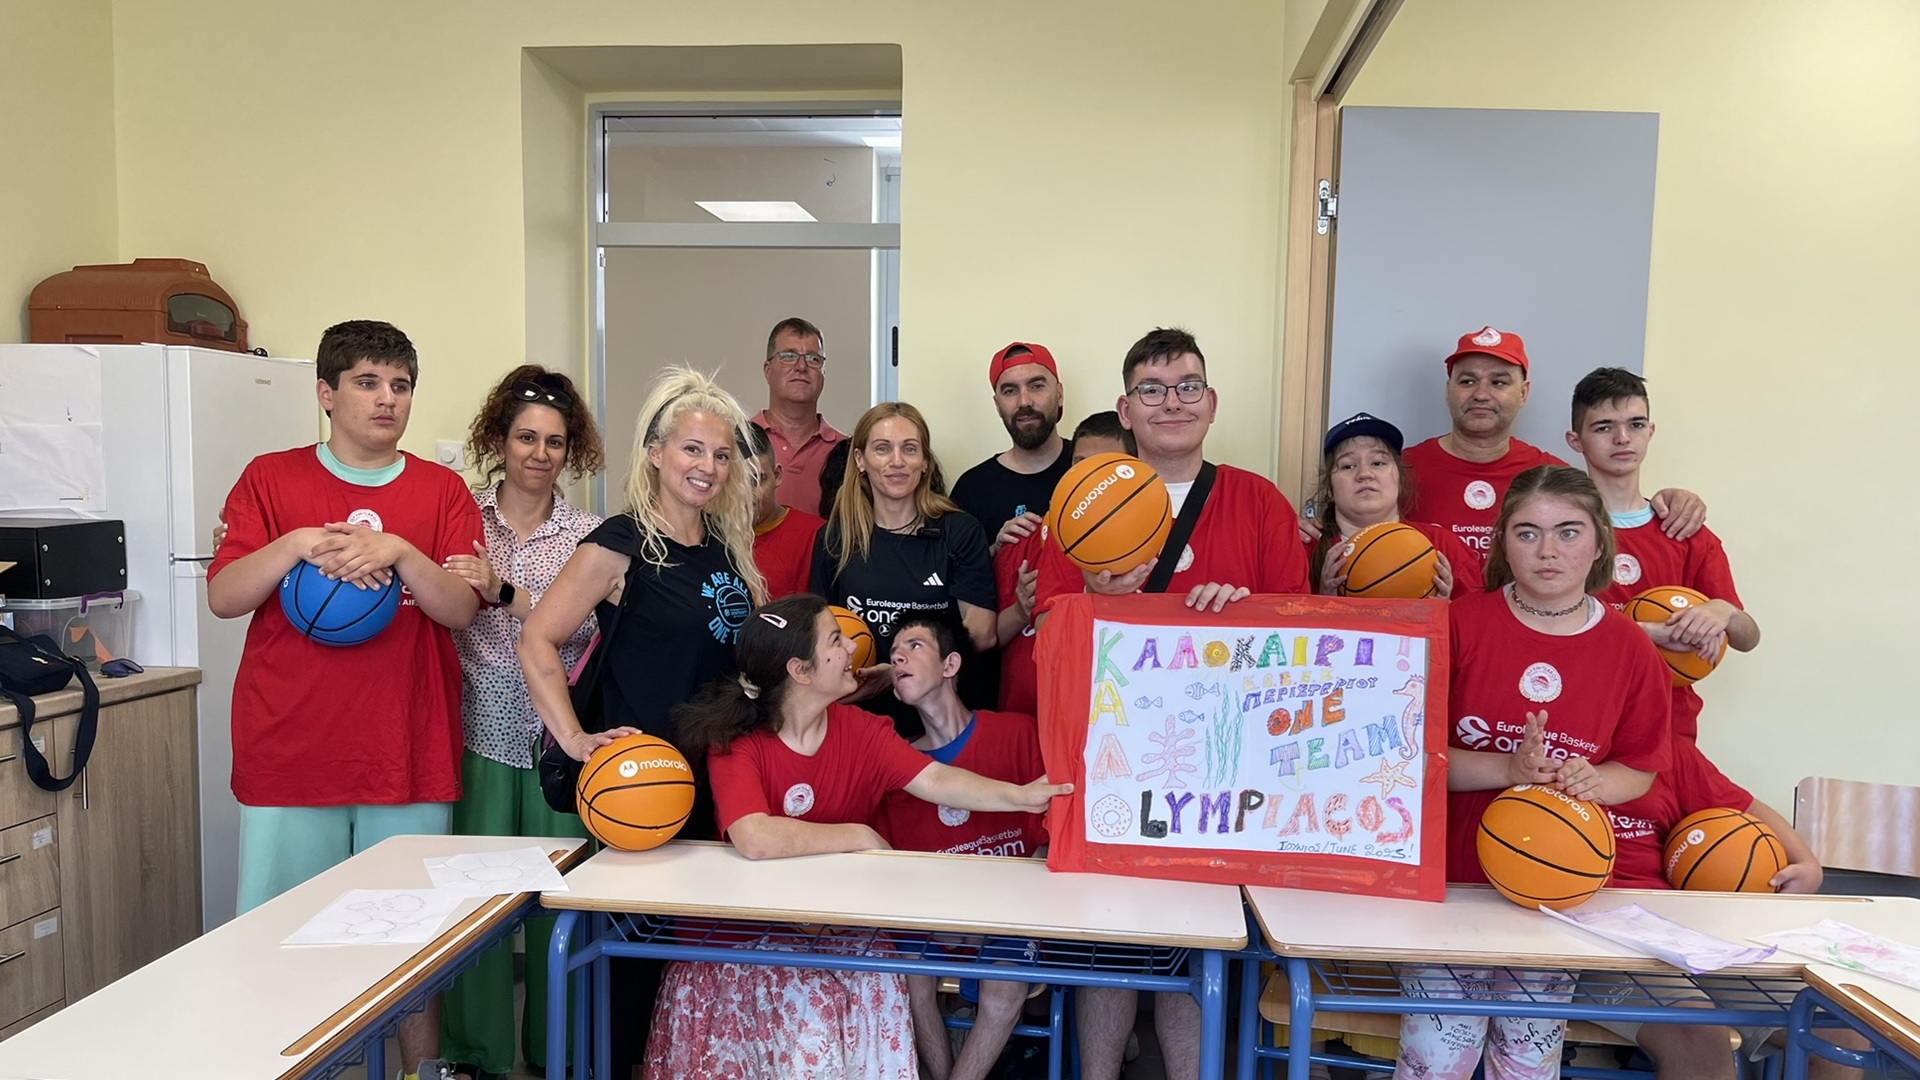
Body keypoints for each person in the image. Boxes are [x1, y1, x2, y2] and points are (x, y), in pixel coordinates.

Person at [1032, 328, 1311, 1080]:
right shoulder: (1080, 501)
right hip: (1111, 757)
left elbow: (1301, 641)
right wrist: (1093, 595)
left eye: (1188, 387)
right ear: (1125, 409)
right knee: (1110, 940)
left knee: (1198, 942)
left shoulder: (1257, 500)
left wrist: (1245, 612)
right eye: (1152, 390)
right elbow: (1047, 636)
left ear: (1211, 402)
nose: (1172, 403)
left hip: (1222, 768)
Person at [207, 320, 482, 1080]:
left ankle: (421, 1074)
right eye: (367, 382)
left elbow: (461, 609)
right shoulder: (270, 479)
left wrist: (402, 553)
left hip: (406, 748)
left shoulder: (442, 490)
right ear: (326, 394)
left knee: (413, 946)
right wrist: (296, 544)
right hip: (290, 748)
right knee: (281, 943)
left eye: (400, 385)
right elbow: (225, 597)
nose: (387, 399)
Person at [641, 595, 1071, 1080]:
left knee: (882, 981)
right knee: (815, 1007)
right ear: (800, 671)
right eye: (836, 639)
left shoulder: (864, 730)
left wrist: (1020, 796)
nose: (853, 647)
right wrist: (858, 835)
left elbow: (934, 779)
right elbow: (755, 835)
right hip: (745, 944)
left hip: (837, 934)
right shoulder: (735, 740)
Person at [518, 365, 765, 1075]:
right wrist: (574, 739)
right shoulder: (620, 543)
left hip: (717, 780)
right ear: (656, 454)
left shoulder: (726, 546)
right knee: (630, 968)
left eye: (721, 454)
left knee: (695, 962)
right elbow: (537, 638)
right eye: (692, 449)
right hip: (643, 787)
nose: (707, 466)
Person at [1393, 465, 1672, 1080]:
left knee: (1526, 1063)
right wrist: (1509, 767)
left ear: (1598, 542)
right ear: (1502, 542)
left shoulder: (1630, 647)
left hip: (1556, 891)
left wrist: (1595, 782)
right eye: (1527, 533)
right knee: (1437, 1060)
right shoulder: (1457, 623)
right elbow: (1405, 756)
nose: (1548, 550)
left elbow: (1640, 767)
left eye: (1568, 531)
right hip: (1453, 884)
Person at [437, 366, 603, 1080]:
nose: (540, 453)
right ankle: (475, 1054)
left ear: (571, 451)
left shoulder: (588, 534)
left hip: (556, 738)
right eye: (526, 437)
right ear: (499, 440)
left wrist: (503, 590)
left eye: (555, 442)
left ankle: (558, 1049)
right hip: (475, 730)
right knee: (475, 904)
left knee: (560, 901)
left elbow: (586, 629)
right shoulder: (458, 516)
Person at [1590, 740, 1838, 1080]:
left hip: (1686, 933)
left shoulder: (1667, 751)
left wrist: (1807, 864)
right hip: (1591, 941)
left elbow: (1744, 806)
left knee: (1835, 1030)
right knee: (1700, 1040)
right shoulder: (1542, 747)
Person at [877, 614, 1049, 1080]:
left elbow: (1047, 845)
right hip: (935, 919)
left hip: (1015, 914)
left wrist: (1003, 914)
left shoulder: (1018, 733)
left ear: (950, 665)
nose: (898, 657)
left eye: (914, 646)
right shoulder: (895, 764)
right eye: (893, 653)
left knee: (1003, 988)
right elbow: (896, 873)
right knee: (910, 979)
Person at [1567, 367, 1761, 745]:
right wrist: (1650, 633)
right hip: (1580, 717)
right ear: (1576, 441)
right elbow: (1547, 627)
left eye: (1636, 424)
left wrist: (1723, 612)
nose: (1623, 438)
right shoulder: (1559, 532)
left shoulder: (1685, 531)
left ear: (1651, 432)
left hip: (1668, 726)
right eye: (1604, 427)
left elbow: (1748, 638)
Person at [1396, 326, 1704, 560]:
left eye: (1499, 382)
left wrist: (1674, 501)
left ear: (1523, 393)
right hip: (1429, 625)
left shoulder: (1552, 475)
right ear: (1448, 390)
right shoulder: (1399, 470)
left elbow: (1618, 509)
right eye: (1467, 381)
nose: (1481, 394)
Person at [809, 402, 1004, 737]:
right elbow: (819, 636)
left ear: (925, 462)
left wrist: (898, 672)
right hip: (859, 723)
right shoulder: (835, 538)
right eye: (883, 448)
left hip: (942, 726)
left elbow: (982, 633)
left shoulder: (960, 532)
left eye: (909, 449)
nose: (897, 461)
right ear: (860, 460)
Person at [995, 411, 1133, 716]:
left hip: (1113, 714)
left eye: (1106, 467)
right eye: (1080, 465)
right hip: (1027, 716)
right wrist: (994, 552)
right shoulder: (1024, 540)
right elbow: (983, 638)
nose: (1092, 480)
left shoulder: (1150, 539)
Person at [1305, 411, 1481, 598]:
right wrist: (1324, 602)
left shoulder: (1444, 547)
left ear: (1400, 479)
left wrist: (1445, 610)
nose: (1364, 474)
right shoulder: (1305, 548)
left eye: (1378, 463)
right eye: (1348, 466)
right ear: (1329, 489)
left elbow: (1479, 614)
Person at [950, 342, 1075, 552]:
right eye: (1010, 391)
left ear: (1059, 394)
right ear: (997, 405)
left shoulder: (1088, 467)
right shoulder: (971, 490)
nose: (1024, 401)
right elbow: (951, 569)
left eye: (1036, 386)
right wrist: (995, 552)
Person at [753, 316, 846, 516]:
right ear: (768, 370)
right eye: (788, 356)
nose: (801, 366)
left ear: (823, 373)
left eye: (813, 359)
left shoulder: (847, 452)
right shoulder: (738, 442)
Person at [746, 422, 825, 600]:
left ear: (777, 476)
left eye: (756, 480)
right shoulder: (709, 536)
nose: (746, 495)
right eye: (735, 482)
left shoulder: (817, 536)